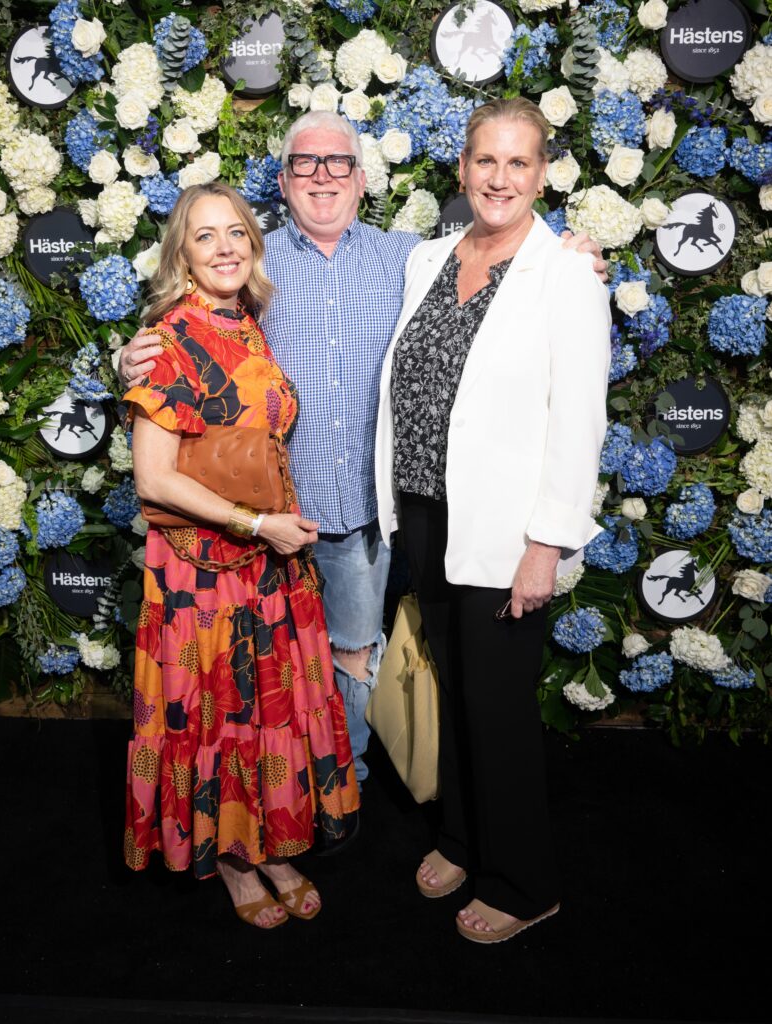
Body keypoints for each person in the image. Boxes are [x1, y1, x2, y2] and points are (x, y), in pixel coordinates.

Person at [119, 111, 606, 794]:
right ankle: (269, 798)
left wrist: (572, 255)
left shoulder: (410, 259)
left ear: (362, 178)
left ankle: (339, 790)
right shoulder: (251, 261)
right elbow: (190, 328)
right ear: (282, 182)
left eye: (338, 162)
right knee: (258, 664)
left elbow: (499, 260)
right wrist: (130, 358)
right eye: (305, 163)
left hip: (358, 517)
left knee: (352, 654)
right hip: (263, 518)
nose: (322, 176)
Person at [374, 98, 611, 943]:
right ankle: (462, 838)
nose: (499, 178)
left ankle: (522, 881)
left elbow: (578, 421)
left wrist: (545, 547)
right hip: (425, 513)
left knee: (499, 705)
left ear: (542, 174)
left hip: (507, 532)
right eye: (486, 161)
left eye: (518, 163)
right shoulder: (428, 258)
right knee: (453, 690)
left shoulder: (564, 274)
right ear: (463, 167)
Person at [123, 182, 359, 929]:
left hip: (265, 561)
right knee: (220, 712)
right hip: (203, 571)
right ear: (181, 256)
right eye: (205, 236)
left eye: (235, 232)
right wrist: (257, 523)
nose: (224, 247)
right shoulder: (169, 339)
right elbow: (153, 478)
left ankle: (270, 847)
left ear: (253, 244)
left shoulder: (245, 322)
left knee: (262, 711)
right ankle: (230, 859)